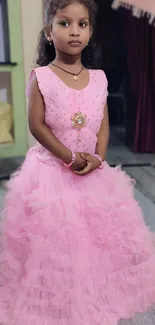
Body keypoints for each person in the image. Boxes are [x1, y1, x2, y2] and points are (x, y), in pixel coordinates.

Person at [0, 0, 155, 324]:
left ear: (90, 31)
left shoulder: (98, 77)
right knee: (58, 244)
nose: (74, 31)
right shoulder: (41, 76)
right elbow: (37, 126)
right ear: (49, 31)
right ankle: (57, 305)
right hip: (50, 173)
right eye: (64, 23)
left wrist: (99, 156)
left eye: (82, 24)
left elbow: (102, 122)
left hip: (93, 171)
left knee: (99, 242)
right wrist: (69, 157)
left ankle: (98, 294)